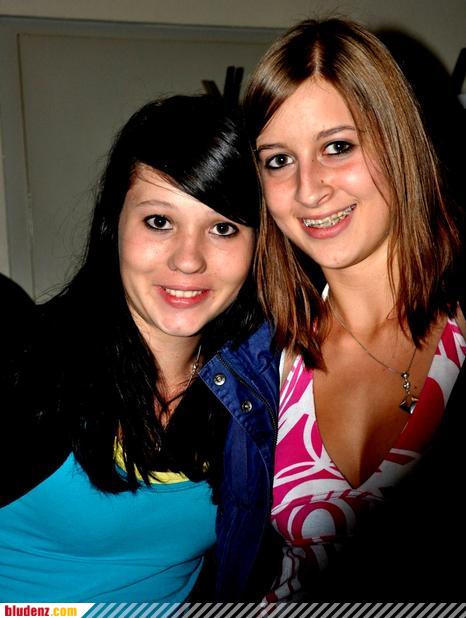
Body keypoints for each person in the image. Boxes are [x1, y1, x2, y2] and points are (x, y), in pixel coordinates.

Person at [0, 95, 280, 602]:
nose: (189, 260)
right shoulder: (25, 363)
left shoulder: (264, 386)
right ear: (115, 224)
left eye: (223, 228)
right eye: (159, 222)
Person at [244, 18, 466, 600]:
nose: (309, 189)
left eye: (337, 147)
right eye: (278, 160)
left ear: (397, 144)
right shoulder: (263, 360)